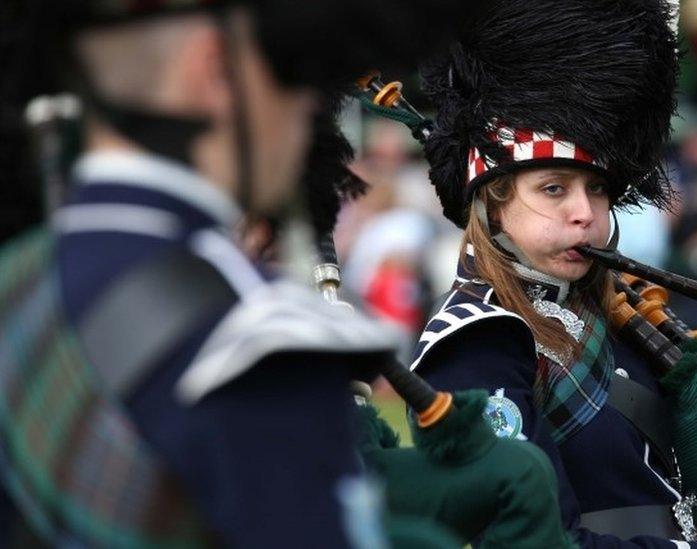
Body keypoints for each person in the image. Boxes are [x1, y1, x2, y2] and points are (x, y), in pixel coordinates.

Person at [0, 1, 470, 546]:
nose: (309, 108)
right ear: (215, 68)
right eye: (296, 72)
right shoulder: (258, 340)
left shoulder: (18, 278)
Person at [407, 0, 697, 547]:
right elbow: (536, 541)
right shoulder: (476, 341)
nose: (585, 212)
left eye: (597, 189)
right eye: (554, 188)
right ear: (493, 204)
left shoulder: (622, 312)